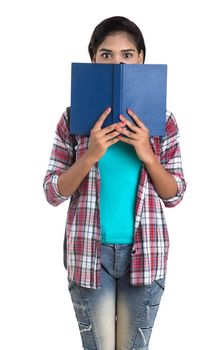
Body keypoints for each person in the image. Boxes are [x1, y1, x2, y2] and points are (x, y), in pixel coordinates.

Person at [43, 16, 186, 350]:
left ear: (140, 59)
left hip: (146, 252)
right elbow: (52, 191)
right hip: (88, 254)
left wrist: (147, 153)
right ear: (93, 59)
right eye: (106, 54)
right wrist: (90, 154)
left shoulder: (161, 120)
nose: (117, 61)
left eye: (127, 54)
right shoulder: (72, 118)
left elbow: (175, 194)